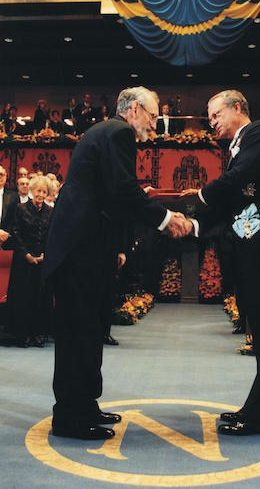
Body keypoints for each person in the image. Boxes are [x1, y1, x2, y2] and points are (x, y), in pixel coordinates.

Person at [43, 86, 190, 441]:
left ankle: (85, 405)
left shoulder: (106, 132)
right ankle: (70, 418)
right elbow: (124, 190)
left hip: (87, 247)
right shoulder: (119, 132)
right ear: (135, 109)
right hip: (80, 249)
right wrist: (166, 217)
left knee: (91, 328)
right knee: (79, 332)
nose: (154, 127)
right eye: (154, 117)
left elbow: (113, 197)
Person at [182, 89, 260, 436]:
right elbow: (232, 204)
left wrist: (197, 197)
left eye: (215, 115)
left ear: (237, 108)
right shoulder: (237, 148)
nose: (212, 123)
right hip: (252, 254)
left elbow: (235, 182)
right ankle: (257, 409)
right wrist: (194, 224)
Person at [6, 176, 53, 347]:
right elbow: (16, 234)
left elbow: (51, 236)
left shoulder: (50, 211)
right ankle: (22, 334)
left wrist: (44, 255)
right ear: (32, 191)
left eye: (44, 191)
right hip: (23, 261)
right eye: (38, 191)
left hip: (41, 261)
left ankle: (36, 333)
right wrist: (26, 255)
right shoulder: (20, 208)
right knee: (22, 298)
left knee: (38, 299)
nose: (41, 194)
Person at [0, 165, 19, 249]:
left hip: (7, 241)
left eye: (2, 174)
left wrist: (7, 233)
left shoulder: (13, 196)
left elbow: (16, 218)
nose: (0, 177)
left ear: (6, 176)